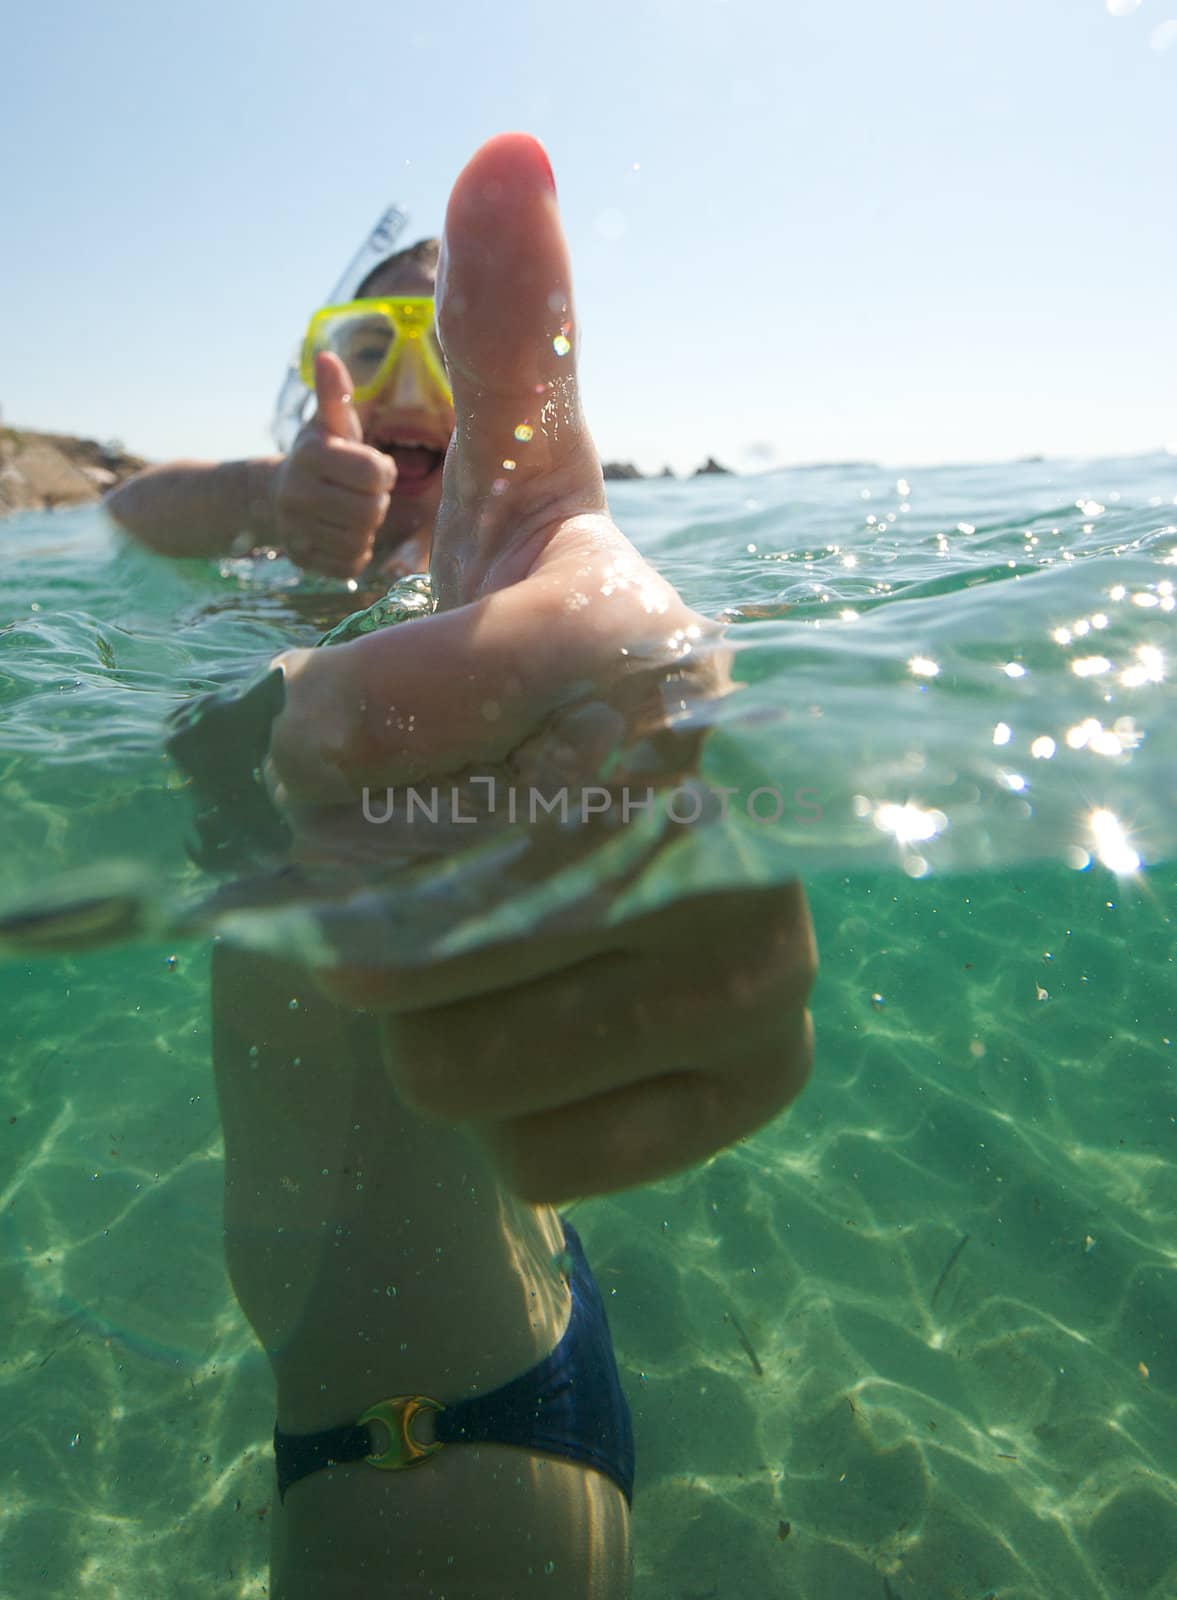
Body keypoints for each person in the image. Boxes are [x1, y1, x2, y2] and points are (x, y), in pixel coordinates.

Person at [155, 132, 817, 1599]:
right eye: (366, 344)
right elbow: (134, 510)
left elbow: (622, 653)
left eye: (444, 356)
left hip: (431, 1429)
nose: (402, 393)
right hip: (495, 1328)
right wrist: (272, 513)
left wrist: (662, 734)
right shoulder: (241, 572)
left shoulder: (498, 623)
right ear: (304, 393)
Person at [105, 240, 452, 582]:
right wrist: (269, 495)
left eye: (451, 359)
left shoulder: (505, 569)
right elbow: (123, 510)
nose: (409, 397)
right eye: (373, 353)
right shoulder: (285, 531)